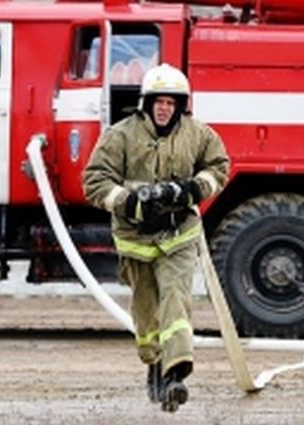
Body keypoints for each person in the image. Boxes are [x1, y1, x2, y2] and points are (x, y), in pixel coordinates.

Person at [82, 63, 230, 412]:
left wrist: (191, 189)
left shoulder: (198, 134)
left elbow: (219, 167)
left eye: (171, 102)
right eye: (158, 101)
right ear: (146, 104)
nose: (165, 108)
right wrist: (130, 201)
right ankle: (154, 365)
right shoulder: (120, 135)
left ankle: (176, 374)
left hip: (179, 236)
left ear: (181, 105)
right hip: (136, 240)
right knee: (147, 311)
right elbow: (94, 181)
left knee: (175, 299)